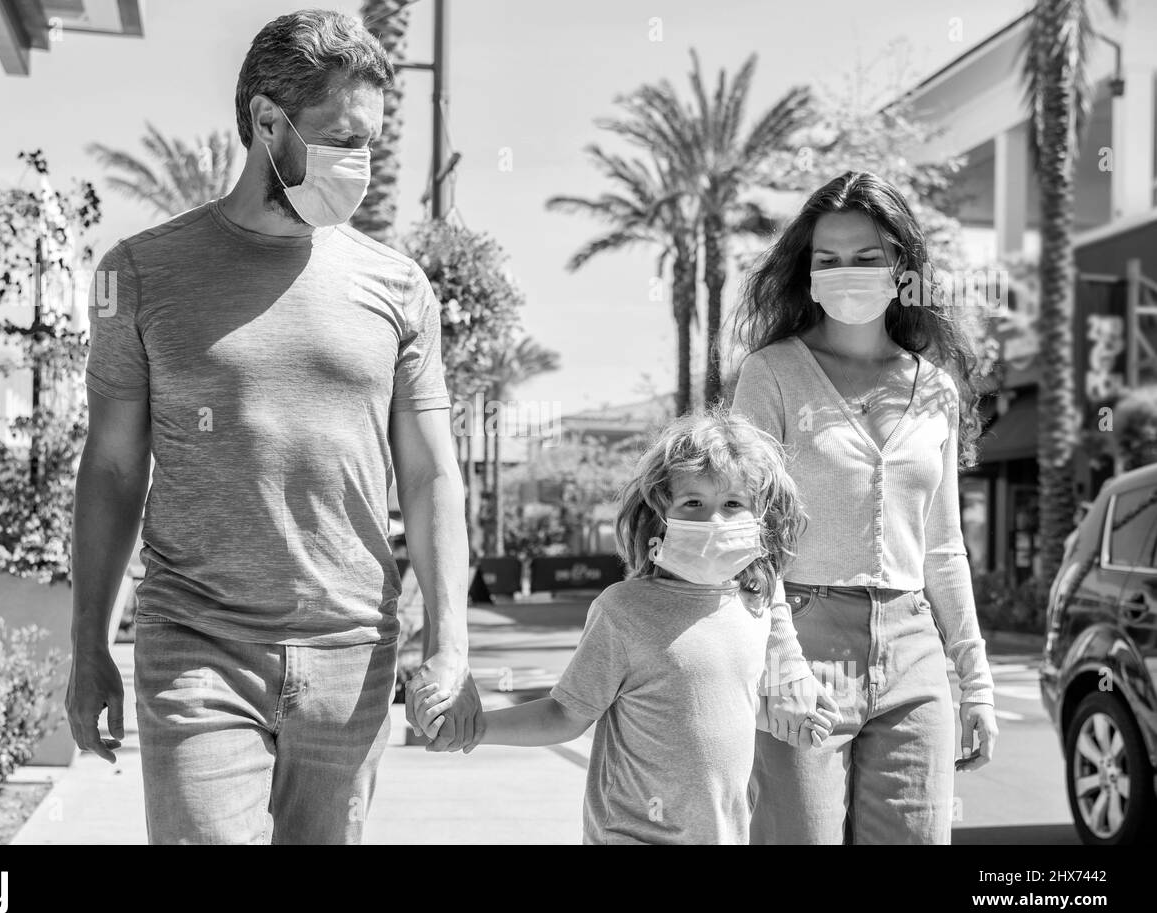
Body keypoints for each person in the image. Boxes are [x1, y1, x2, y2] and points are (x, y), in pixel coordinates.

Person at [65, 10, 481, 845]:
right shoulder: (141, 273)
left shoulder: (397, 289)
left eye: (370, 141)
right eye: (339, 137)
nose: (357, 163)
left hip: (351, 649)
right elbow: (111, 469)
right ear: (265, 121)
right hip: (196, 639)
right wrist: (88, 646)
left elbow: (432, 474)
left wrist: (451, 643)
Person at [416, 410, 839, 844]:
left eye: (733, 503)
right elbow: (565, 714)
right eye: (693, 502)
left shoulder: (753, 607)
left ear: (760, 517)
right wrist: (478, 728)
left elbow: (719, 705)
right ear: (659, 514)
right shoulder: (624, 611)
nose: (714, 520)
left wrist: (789, 718)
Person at [731, 170, 998, 845]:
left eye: (867, 257)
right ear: (807, 271)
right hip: (803, 639)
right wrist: (781, 660)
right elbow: (748, 532)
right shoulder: (771, 374)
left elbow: (942, 547)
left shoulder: (937, 389)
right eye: (828, 260)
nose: (845, 272)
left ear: (902, 268)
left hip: (914, 650)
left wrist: (976, 680)